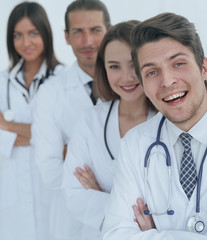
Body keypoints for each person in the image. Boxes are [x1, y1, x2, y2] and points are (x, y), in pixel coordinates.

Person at [102, 12, 207, 240]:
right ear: (143, 84)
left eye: (178, 63)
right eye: (152, 72)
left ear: (204, 68)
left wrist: (157, 235)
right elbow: (115, 234)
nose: (167, 81)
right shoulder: (134, 145)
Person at [62, 20, 156, 239]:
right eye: (114, 66)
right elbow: (73, 195)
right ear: (103, 70)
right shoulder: (89, 122)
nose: (127, 76)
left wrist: (100, 195)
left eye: (134, 63)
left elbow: (175, 204)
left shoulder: (168, 121)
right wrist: (137, 213)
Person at [33, 0, 111, 239]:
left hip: (129, 224)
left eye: (95, 30)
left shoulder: (131, 85)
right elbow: (50, 171)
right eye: (78, 32)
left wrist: (77, 157)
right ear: (66, 37)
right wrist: (109, 187)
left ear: (109, 31)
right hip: (74, 226)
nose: (87, 41)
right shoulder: (50, 93)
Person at [0, 2, 63, 240]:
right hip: (11, 193)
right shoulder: (2, 81)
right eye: (18, 35)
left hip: (51, 190)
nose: (26, 43)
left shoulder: (63, 79)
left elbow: (63, 138)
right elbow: (49, 136)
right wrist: (43, 135)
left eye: (33, 33)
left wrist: (5, 126)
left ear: (45, 33)